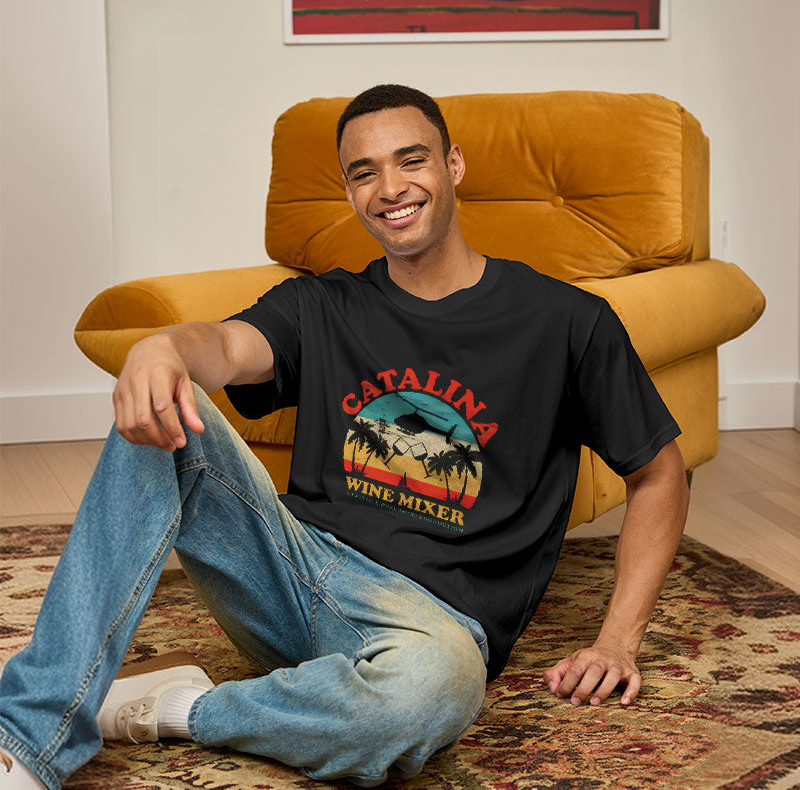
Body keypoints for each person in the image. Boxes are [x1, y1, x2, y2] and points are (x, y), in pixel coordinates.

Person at [0, 84, 690, 790]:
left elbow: (659, 473)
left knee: (432, 692)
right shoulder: (321, 304)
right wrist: (163, 348)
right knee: (164, 401)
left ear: (453, 165)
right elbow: (227, 347)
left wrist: (618, 640)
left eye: (411, 160)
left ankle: (182, 707)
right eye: (365, 172)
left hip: (431, 622)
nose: (390, 188)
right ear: (350, 192)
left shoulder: (567, 321)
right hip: (292, 570)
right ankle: (27, 736)